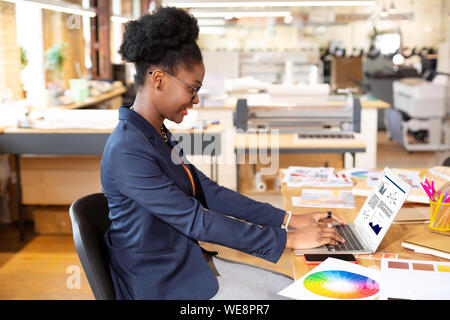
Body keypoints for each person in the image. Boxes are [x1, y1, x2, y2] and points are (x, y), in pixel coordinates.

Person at [101, 6, 346, 300]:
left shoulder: (155, 134)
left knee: (298, 292)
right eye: (192, 89)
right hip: (160, 284)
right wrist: (287, 240)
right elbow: (196, 220)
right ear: (158, 80)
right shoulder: (128, 150)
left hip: (185, 263)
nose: (195, 99)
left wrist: (287, 219)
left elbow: (208, 191)